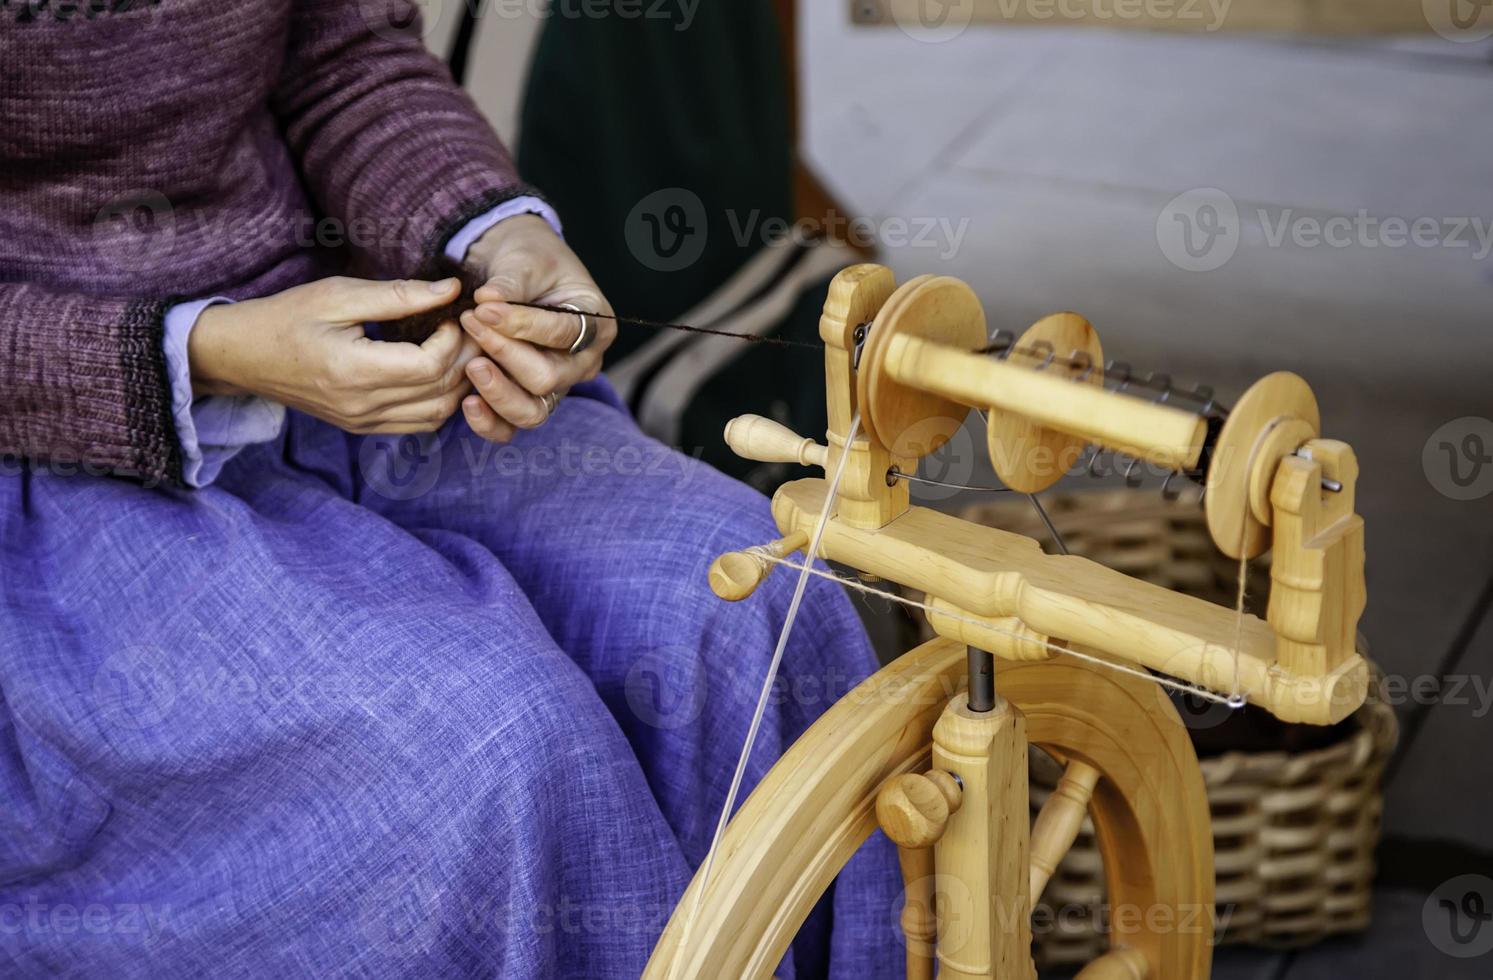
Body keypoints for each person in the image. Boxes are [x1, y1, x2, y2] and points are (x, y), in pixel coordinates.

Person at [0, 2, 898, 976]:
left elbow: (341, 54)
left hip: (345, 348)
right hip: (55, 460)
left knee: (743, 585)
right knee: (494, 748)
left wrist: (501, 232)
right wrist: (203, 352)